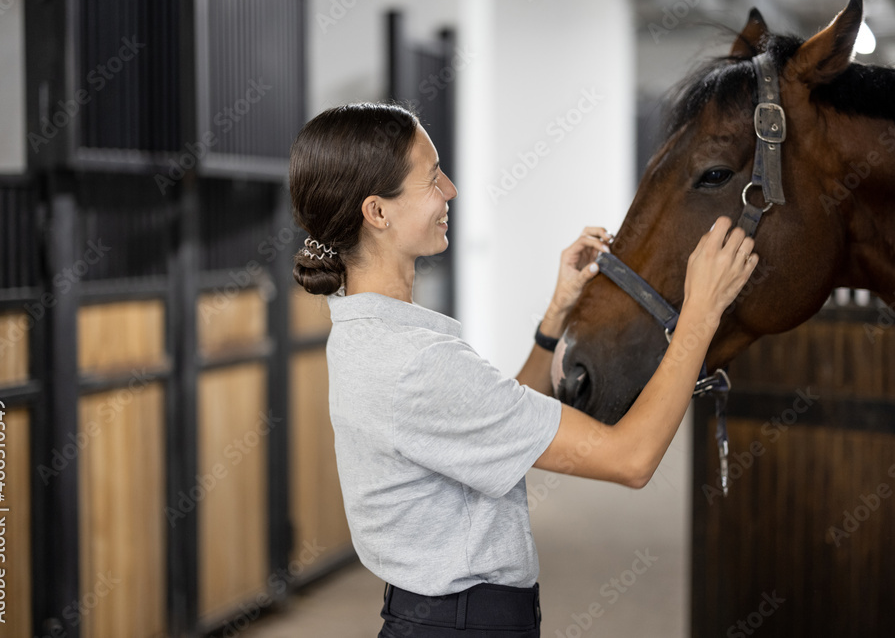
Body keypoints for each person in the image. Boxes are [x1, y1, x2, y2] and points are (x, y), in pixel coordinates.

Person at [289, 102, 757, 638]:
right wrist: (700, 314)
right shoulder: (415, 362)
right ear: (377, 212)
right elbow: (631, 458)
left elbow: (495, 425)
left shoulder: (368, 334)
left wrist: (557, 312)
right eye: (430, 177)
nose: (450, 190)